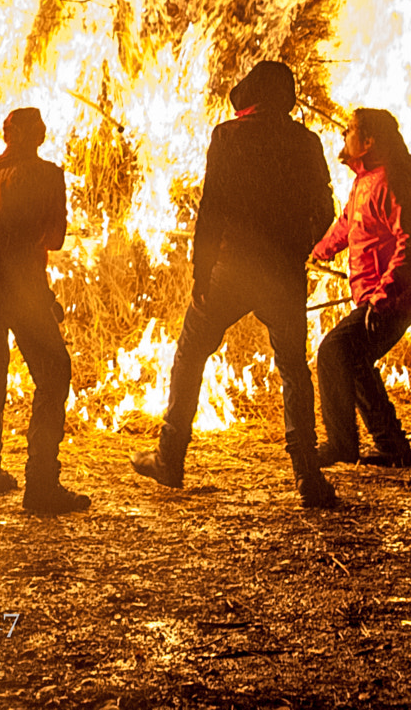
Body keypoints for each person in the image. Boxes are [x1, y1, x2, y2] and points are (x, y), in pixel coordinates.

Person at [132, 60, 339, 509]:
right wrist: (300, 249)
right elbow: (325, 210)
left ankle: (170, 456)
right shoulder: (307, 142)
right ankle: (307, 475)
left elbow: (212, 208)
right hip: (283, 272)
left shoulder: (228, 136)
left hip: (232, 266)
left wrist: (200, 270)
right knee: (293, 370)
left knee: (190, 354)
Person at [0, 106, 89, 514]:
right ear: (40, 134)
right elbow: (53, 239)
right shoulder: (47, 174)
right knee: (54, 372)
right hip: (15, 282)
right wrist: (41, 296)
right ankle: (42, 485)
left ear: (5, 134)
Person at [311, 107, 411, 468]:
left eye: (350, 130)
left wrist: (383, 295)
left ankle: (341, 444)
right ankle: (393, 448)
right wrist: (317, 252)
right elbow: (347, 225)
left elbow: (409, 243)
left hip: (400, 295)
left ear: (368, 142)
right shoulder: (364, 181)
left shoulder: (392, 181)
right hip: (379, 295)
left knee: (334, 353)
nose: (343, 135)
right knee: (354, 361)